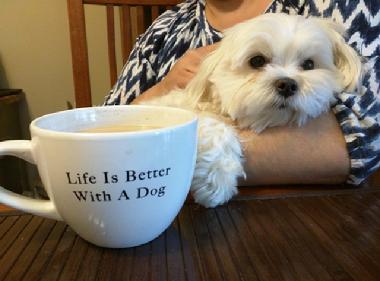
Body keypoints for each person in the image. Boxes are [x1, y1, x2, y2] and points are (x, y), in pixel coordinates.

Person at [104, 0, 380, 186]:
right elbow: (102, 133)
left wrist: (171, 163)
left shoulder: (341, 7)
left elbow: (367, 136)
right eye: (258, 62)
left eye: (307, 64)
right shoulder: (164, 29)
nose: (285, 80)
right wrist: (164, 88)